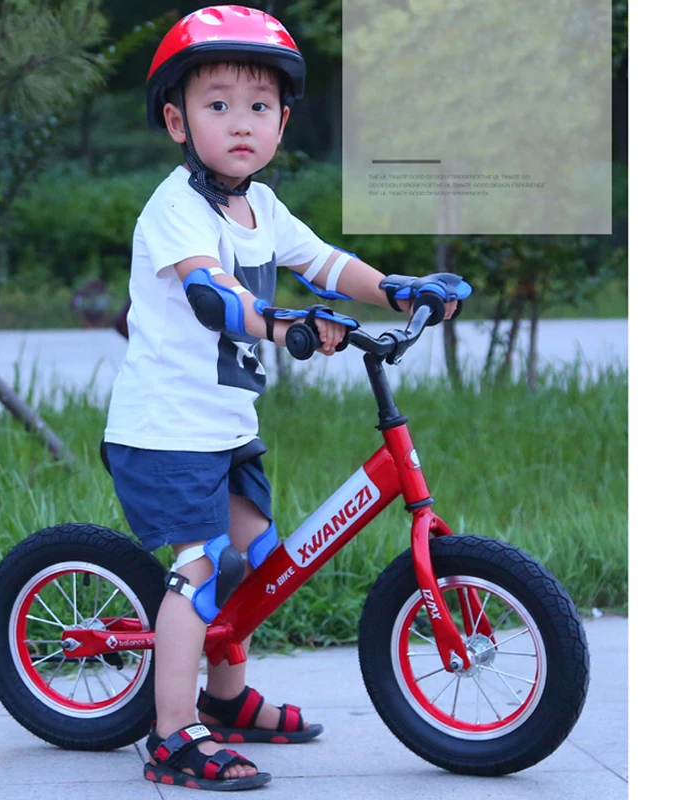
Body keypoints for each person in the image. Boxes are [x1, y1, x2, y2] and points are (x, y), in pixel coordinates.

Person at [103, 4, 458, 791]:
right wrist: (281, 323)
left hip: (224, 428)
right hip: (165, 431)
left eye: (258, 106)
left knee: (258, 565)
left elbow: (327, 264)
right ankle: (171, 736)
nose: (240, 121)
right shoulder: (175, 209)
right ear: (176, 120)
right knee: (199, 570)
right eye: (217, 103)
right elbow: (212, 296)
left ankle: (226, 703)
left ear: (282, 121)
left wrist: (398, 290)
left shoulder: (262, 207)